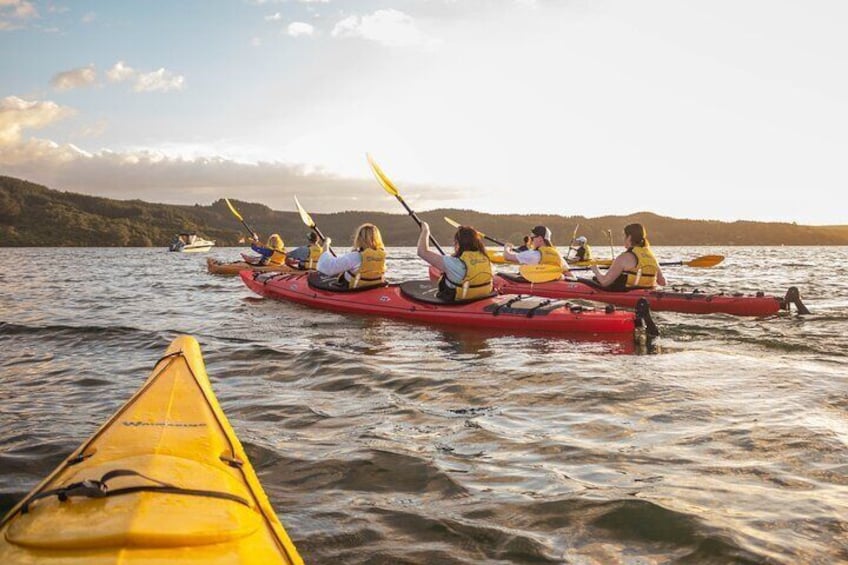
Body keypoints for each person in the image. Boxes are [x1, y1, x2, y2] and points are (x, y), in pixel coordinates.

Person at [417, 221, 493, 301]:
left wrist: (426, 230)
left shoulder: (454, 263)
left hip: (459, 300)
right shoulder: (486, 259)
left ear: (458, 244)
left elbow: (422, 252)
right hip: (482, 297)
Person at [590, 223, 666, 291]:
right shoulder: (652, 257)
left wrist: (596, 270)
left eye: (624, 236)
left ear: (629, 237)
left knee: (593, 280)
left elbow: (604, 282)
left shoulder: (623, 258)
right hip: (647, 292)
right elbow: (662, 282)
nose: (623, 239)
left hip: (627, 293)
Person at [316, 223, 386, 289]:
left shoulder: (356, 256)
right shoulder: (381, 256)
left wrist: (326, 244)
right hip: (371, 288)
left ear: (360, 238)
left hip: (353, 290)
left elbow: (326, 267)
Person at [503, 225, 571, 276]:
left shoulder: (534, 254)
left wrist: (507, 247)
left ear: (540, 239)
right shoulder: (558, 255)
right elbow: (569, 274)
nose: (531, 241)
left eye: (532, 238)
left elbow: (507, 256)